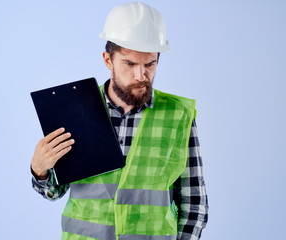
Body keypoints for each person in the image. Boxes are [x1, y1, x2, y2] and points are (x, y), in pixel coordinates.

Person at [31, 2, 208, 240]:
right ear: (108, 60)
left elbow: (194, 204)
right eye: (130, 63)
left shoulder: (179, 115)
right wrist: (40, 171)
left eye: (150, 64)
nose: (141, 76)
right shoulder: (76, 110)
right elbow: (55, 191)